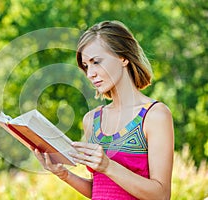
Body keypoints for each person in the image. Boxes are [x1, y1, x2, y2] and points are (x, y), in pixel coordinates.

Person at [34, 20, 174, 200]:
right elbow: (102, 188)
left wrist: (108, 166)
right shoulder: (92, 120)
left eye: (96, 62)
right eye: (86, 66)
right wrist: (64, 174)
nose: (90, 73)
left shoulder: (155, 115)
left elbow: (162, 195)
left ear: (123, 58)